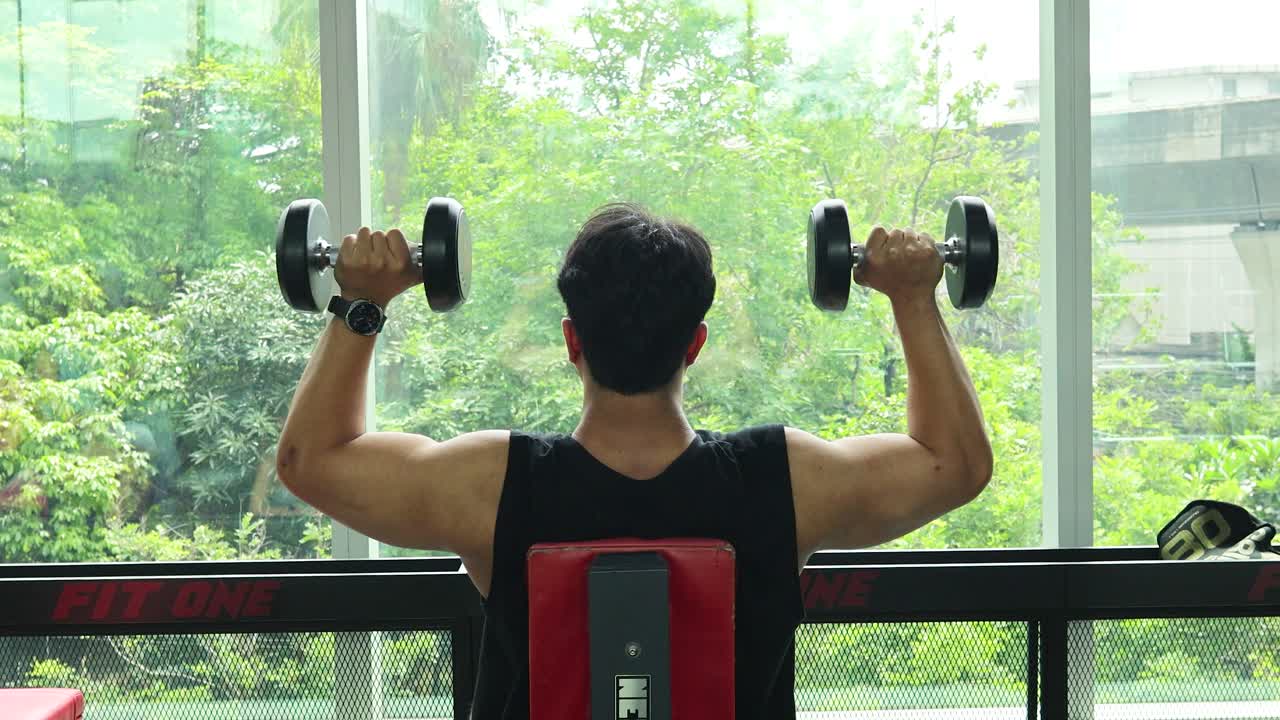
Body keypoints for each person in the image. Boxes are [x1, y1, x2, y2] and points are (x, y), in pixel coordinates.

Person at [275, 202, 993, 720]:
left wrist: (362, 302)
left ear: (570, 342)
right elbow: (954, 463)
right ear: (695, 346)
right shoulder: (784, 480)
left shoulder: (492, 484)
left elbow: (312, 460)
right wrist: (911, 296)